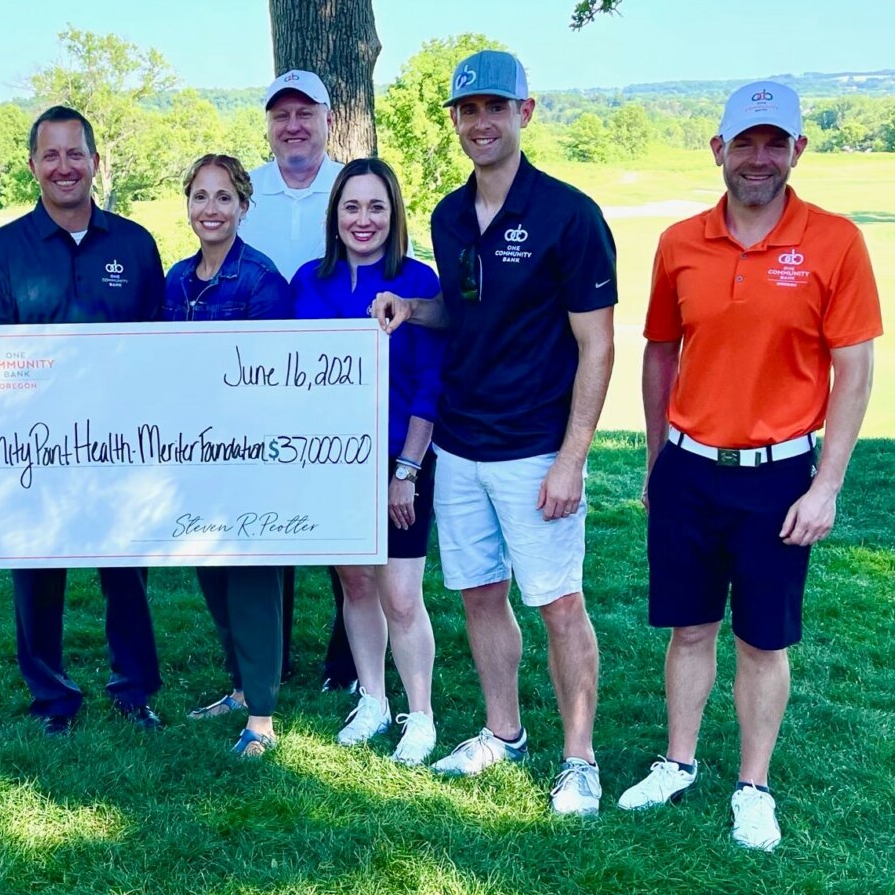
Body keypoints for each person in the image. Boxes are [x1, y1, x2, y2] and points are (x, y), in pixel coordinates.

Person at [620, 82, 881, 850]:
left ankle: (753, 782)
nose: (758, 158)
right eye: (746, 142)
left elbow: (854, 369)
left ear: (798, 150)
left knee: (763, 640)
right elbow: (660, 350)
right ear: (719, 150)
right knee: (690, 628)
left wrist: (827, 482)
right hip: (691, 468)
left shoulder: (835, 241)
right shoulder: (680, 241)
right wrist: (655, 456)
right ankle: (678, 760)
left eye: (775, 142)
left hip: (780, 477)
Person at [372, 50, 616, 816]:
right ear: (455, 121)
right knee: (480, 595)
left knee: (559, 603)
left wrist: (572, 458)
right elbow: (464, 309)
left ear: (525, 113)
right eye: (466, 111)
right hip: (460, 444)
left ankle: (579, 758)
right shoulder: (448, 214)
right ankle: (502, 730)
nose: (481, 123)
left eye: (495, 108)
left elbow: (598, 344)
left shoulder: (569, 215)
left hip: (536, 447)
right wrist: (411, 309)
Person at [0, 106, 166, 736]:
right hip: (35, 446)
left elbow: (160, 347)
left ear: (94, 161)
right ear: (32, 165)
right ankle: (52, 697)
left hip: (121, 441)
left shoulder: (135, 244)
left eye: (74, 154)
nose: (63, 167)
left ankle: (135, 689)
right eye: (50, 156)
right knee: (37, 572)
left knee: (126, 571)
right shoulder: (0, 251)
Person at [292, 158, 444, 765]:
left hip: (400, 458)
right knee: (355, 583)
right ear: (335, 215)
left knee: (401, 595)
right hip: (330, 461)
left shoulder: (419, 282)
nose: (363, 219)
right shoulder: (308, 281)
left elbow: (430, 384)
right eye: (351, 207)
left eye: (376, 207)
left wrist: (405, 471)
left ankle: (421, 714)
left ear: (393, 214)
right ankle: (374, 700)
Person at [168, 153, 291, 757]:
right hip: (192, 458)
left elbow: (270, 381)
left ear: (243, 205)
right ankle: (240, 687)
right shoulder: (176, 280)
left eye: (223, 198)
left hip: (248, 458)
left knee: (250, 578)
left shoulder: (262, 281)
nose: (209, 209)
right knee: (212, 574)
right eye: (199, 197)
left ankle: (263, 716)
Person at [240, 68, 355, 693]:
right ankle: (271, 655)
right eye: (281, 115)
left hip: (337, 385)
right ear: (269, 125)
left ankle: (347, 661)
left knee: (343, 521)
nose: (293, 125)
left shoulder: (351, 187)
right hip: (258, 387)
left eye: (305, 113)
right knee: (269, 524)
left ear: (327, 120)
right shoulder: (247, 191)